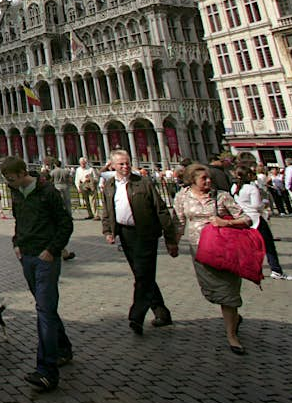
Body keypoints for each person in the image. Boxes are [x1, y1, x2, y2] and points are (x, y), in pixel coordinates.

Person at [0, 156, 73, 393]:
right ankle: (63, 348)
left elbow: (65, 223)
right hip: (27, 255)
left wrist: (52, 250)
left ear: (23, 173)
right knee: (46, 307)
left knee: (43, 310)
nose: (10, 184)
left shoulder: (48, 192)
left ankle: (47, 371)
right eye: (7, 181)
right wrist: (16, 243)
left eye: (12, 179)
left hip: (45, 258)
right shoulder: (16, 191)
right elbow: (19, 220)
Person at [172, 163, 251, 354]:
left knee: (228, 289)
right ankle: (233, 317)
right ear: (192, 181)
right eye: (203, 179)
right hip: (199, 249)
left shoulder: (221, 196)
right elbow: (179, 221)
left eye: (209, 178)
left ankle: (232, 336)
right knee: (213, 289)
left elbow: (246, 219)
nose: (208, 181)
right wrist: (173, 243)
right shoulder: (182, 197)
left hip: (224, 248)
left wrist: (226, 222)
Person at [100, 150, 179, 335]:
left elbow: (160, 210)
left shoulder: (143, 183)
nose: (125, 167)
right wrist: (108, 231)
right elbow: (107, 209)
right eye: (121, 164)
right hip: (125, 234)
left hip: (145, 233)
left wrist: (171, 238)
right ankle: (162, 312)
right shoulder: (110, 185)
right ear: (112, 166)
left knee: (143, 274)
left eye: (127, 163)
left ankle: (136, 315)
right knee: (142, 274)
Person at [233, 165, 292, 281]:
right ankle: (276, 270)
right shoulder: (251, 188)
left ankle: (250, 268)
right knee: (268, 245)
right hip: (256, 218)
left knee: (250, 246)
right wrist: (264, 204)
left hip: (243, 218)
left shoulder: (235, 187)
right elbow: (256, 205)